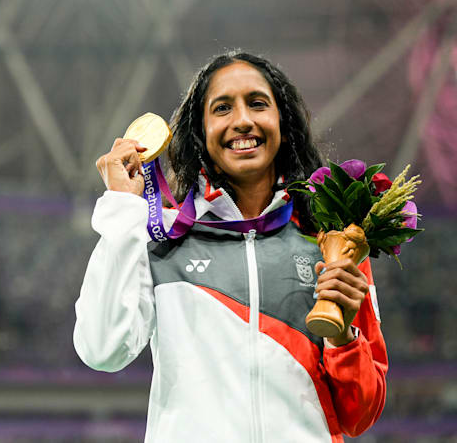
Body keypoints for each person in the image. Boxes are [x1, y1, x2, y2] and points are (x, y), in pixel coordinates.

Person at [74, 51, 387, 442]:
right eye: (222, 108)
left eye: (257, 104)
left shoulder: (332, 241)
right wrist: (122, 210)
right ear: (201, 134)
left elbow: (360, 415)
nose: (242, 120)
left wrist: (343, 339)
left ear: (283, 126)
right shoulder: (162, 236)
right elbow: (102, 349)